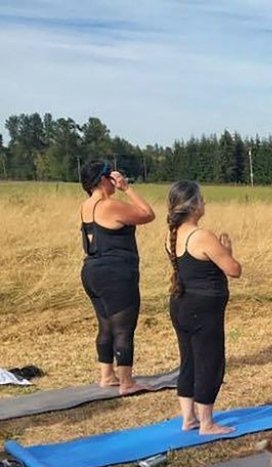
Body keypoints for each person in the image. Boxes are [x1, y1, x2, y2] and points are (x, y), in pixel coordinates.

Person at [165, 181, 241, 435]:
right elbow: (233, 269)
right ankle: (206, 422)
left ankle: (189, 418)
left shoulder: (172, 234)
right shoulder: (202, 236)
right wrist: (228, 251)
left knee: (188, 360)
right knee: (209, 361)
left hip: (181, 304)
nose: (204, 203)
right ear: (193, 205)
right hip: (203, 308)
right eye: (201, 199)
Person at [78, 160, 156, 393]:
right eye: (111, 175)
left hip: (91, 270)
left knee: (105, 325)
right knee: (123, 328)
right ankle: (126, 382)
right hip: (116, 273)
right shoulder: (109, 205)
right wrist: (127, 188)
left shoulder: (85, 206)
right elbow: (147, 214)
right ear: (104, 179)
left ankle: (107, 375)